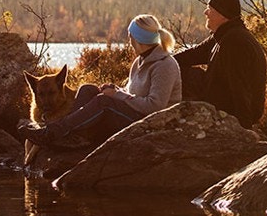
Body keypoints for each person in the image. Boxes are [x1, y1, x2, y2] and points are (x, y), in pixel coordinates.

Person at [17, 14, 182, 147]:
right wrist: (116, 89)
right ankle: (71, 133)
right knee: (88, 89)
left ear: (138, 39)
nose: (129, 40)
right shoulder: (140, 61)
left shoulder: (164, 65)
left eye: (130, 36)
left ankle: (54, 131)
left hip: (153, 122)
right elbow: (132, 92)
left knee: (103, 102)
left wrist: (117, 95)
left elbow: (155, 106)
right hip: (135, 112)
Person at [172, 0, 267, 129]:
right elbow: (191, 55)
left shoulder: (235, 42)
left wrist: (243, 129)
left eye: (210, 9)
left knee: (183, 76)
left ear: (223, 15)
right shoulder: (224, 35)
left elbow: (240, 87)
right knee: (176, 70)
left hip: (230, 112)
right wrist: (161, 61)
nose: (205, 12)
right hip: (222, 102)